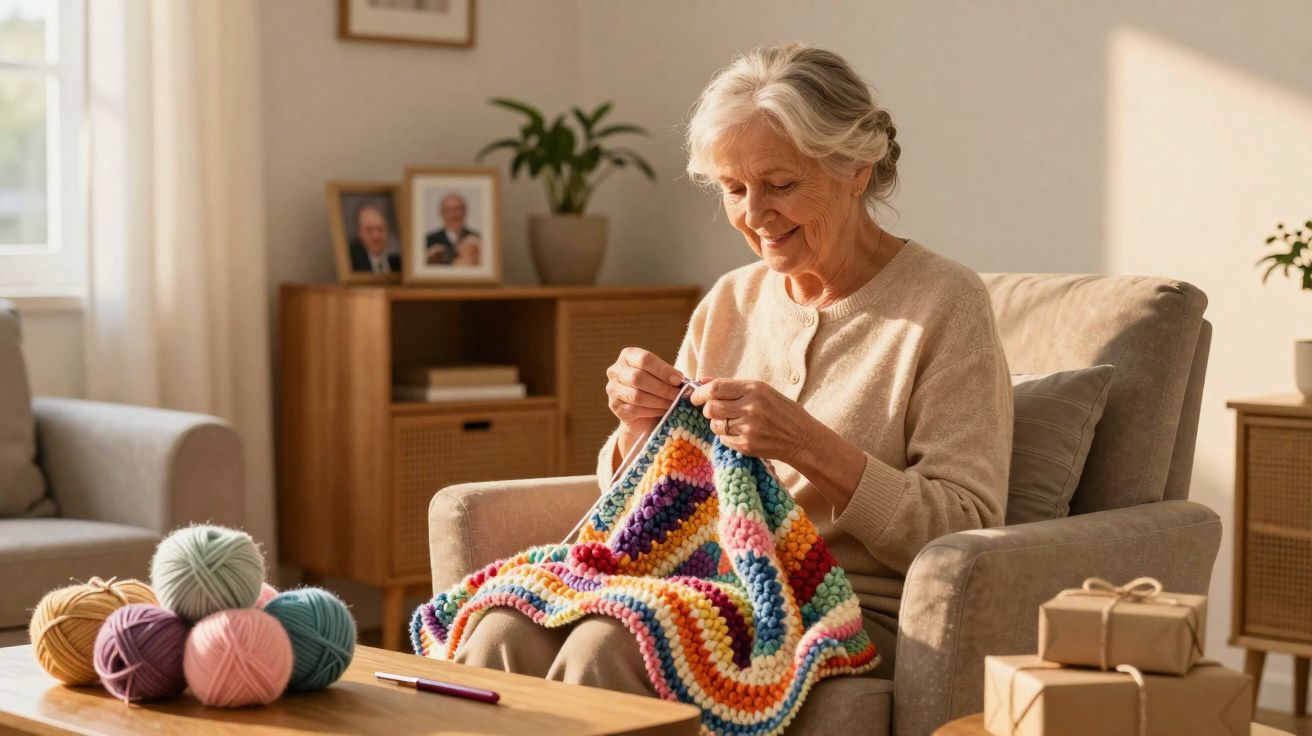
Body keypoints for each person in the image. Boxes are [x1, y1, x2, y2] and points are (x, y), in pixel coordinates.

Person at [452, 42, 1013, 698]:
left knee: (611, 643)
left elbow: (963, 529)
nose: (753, 214)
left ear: (856, 168)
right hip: (700, 582)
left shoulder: (946, 303)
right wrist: (638, 428)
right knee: (501, 629)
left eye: (781, 185)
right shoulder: (730, 300)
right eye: (734, 189)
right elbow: (650, 500)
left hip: (849, 607)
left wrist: (807, 444)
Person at [425, 194, 480, 265]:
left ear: (465, 211)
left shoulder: (478, 239)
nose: (453, 214)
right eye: (448, 210)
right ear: (441, 213)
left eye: (457, 209)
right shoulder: (428, 241)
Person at [347, 203, 400, 273]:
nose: (376, 236)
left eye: (380, 229)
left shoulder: (399, 264)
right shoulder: (351, 264)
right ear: (359, 232)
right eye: (369, 229)